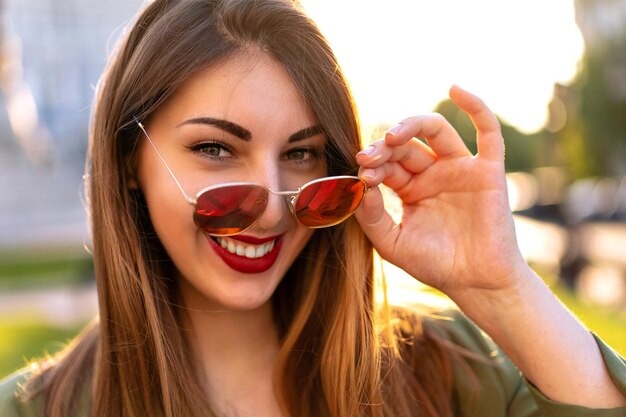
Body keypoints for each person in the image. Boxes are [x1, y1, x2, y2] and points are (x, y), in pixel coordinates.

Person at [1, 0, 625, 416]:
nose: (272, 212)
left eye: (302, 155)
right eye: (215, 148)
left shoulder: (444, 368)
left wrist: (503, 288)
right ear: (129, 162)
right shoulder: (33, 408)